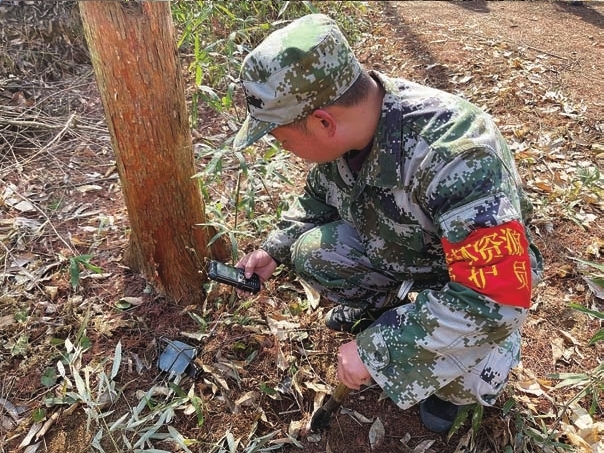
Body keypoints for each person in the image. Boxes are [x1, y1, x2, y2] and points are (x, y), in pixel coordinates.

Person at [232, 13, 543, 433]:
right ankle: (391, 309)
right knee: (313, 252)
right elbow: (319, 196)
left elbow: (498, 299)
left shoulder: (455, 155)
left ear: (324, 122)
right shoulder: (355, 125)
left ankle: (453, 377)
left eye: (282, 139)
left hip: (472, 290)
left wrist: (382, 350)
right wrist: (274, 247)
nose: (284, 149)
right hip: (410, 255)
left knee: (469, 380)